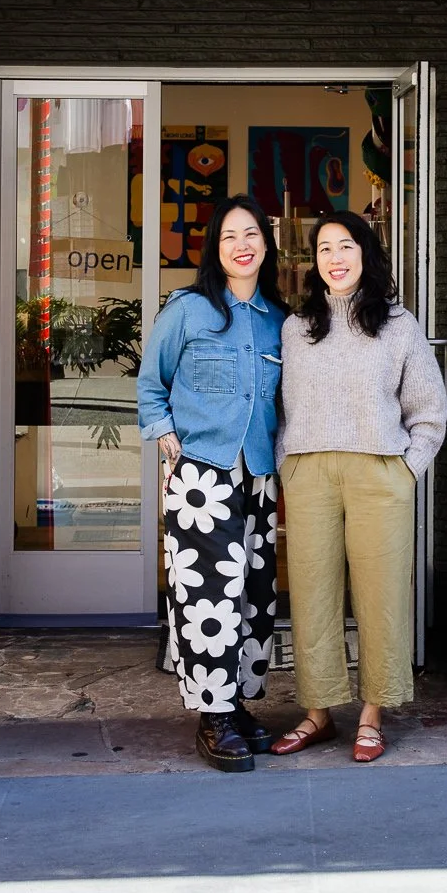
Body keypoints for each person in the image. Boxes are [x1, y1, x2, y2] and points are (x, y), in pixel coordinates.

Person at [269, 210, 447, 763]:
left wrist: (406, 468)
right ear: (313, 261)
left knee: (382, 596)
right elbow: (282, 406)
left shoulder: (398, 325)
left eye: (345, 246)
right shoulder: (296, 328)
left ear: (366, 254)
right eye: (324, 249)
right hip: (309, 474)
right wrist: (288, 465)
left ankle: (373, 712)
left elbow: (430, 407)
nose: (335, 258)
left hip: (379, 472)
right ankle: (319, 713)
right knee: (313, 594)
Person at [136, 194, 288, 773]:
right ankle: (212, 717)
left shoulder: (280, 320)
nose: (241, 245)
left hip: (258, 476)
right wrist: (164, 435)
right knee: (206, 599)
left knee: (252, 596)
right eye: (229, 237)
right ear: (214, 249)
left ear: (266, 243)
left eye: (250, 234)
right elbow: (152, 383)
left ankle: (238, 704)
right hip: (202, 476)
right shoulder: (188, 310)